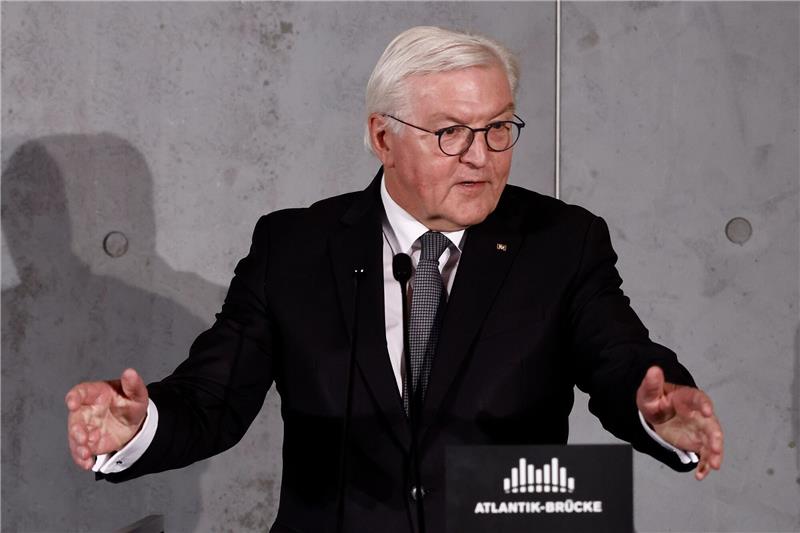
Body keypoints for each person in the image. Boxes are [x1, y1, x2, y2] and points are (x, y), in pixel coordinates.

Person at [66, 26, 723, 533]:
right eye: (451, 133)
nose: (482, 156)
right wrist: (138, 425)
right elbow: (213, 398)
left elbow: (622, 360)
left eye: (499, 128)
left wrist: (660, 410)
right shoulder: (293, 248)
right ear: (383, 137)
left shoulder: (562, 241)